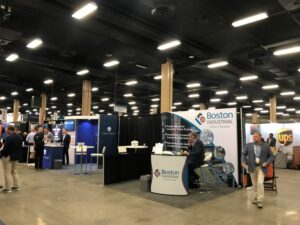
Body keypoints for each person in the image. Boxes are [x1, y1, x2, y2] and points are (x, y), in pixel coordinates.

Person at [241, 130, 274, 209]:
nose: (254, 138)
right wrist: (243, 161)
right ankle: (256, 197)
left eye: (256, 136)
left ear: (260, 137)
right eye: (253, 137)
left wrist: (267, 162)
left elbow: (272, 156)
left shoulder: (265, 146)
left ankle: (260, 200)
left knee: (260, 183)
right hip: (252, 167)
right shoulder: (248, 145)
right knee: (254, 184)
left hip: (261, 167)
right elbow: (243, 154)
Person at [0, 125, 23, 192]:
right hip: (16, 157)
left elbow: (5, 149)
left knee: (7, 172)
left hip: (8, 156)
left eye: (7, 130)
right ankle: (17, 186)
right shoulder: (20, 137)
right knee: (14, 171)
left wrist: (1, 153)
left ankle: (8, 188)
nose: (6, 131)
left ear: (10, 130)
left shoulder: (8, 138)